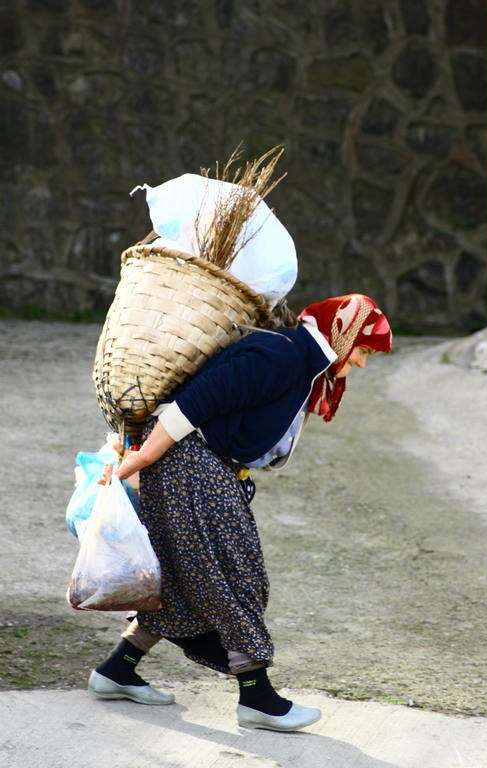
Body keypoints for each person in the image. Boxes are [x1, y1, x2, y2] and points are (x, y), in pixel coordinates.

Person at [88, 293, 392, 732]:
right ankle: (257, 697)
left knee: (188, 575)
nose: (361, 363)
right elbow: (195, 403)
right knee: (231, 576)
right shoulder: (281, 355)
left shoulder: (298, 362)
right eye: (363, 350)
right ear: (342, 335)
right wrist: (140, 460)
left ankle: (117, 669)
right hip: (186, 462)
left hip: (203, 466)